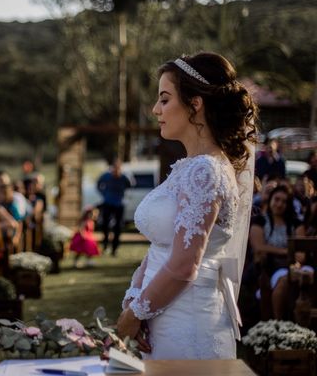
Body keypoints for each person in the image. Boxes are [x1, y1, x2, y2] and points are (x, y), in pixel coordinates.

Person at [116, 52, 257, 360]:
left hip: (187, 324)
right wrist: (134, 297)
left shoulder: (205, 171)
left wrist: (135, 314)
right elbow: (161, 248)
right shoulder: (188, 168)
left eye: (164, 100)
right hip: (163, 316)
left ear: (196, 104)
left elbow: (184, 265)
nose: (156, 110)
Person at [249, 185, 308, 319]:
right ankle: (277, 323)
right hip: (271, 266)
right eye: (277, 199)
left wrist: (290, 254)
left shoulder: (295, 223)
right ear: (270, 200)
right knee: (283, 281)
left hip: (295, 265)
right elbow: (258, 247)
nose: (280, 204)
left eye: (284, 201)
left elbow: (302, 254)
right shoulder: (260, 220)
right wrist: (286, 251)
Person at [97, 158, 132, 256]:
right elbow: (98, 184)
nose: (115, 170)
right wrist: (103, 194)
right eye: (114, 168)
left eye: (118, 168)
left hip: (119, 204)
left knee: (117, 227)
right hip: (107, 203)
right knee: (104, 225)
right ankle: (105, 245)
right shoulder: (106, 176)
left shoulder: (124, 177)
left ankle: (114, 249)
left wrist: (123, 194)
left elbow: (130, 185)